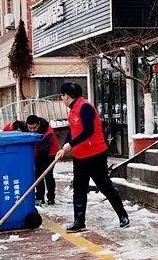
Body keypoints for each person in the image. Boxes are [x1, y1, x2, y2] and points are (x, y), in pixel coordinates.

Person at [54, 82, 129, 231]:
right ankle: (79, 222)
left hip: (95, 154)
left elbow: (88, 131)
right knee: (79, 188)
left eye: (62, 95)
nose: (62, 98)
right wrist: (65, 145)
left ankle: (123, 215)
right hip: (80, 156)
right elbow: (73, 131)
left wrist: (70, 144)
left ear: (67, 96)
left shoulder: (85, 107)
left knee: (104, 186)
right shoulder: (72, 110)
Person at [25, 113, 60, 206]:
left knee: (47, 175)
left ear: (39, 124)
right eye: (30, 128)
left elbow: (42, 154)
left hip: (50, 154)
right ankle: (40, 197)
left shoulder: (48, 133)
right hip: (38, 152)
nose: (32, 130)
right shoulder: (27, 127)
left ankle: (51, 197)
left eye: (34, 128)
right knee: (37, 174)